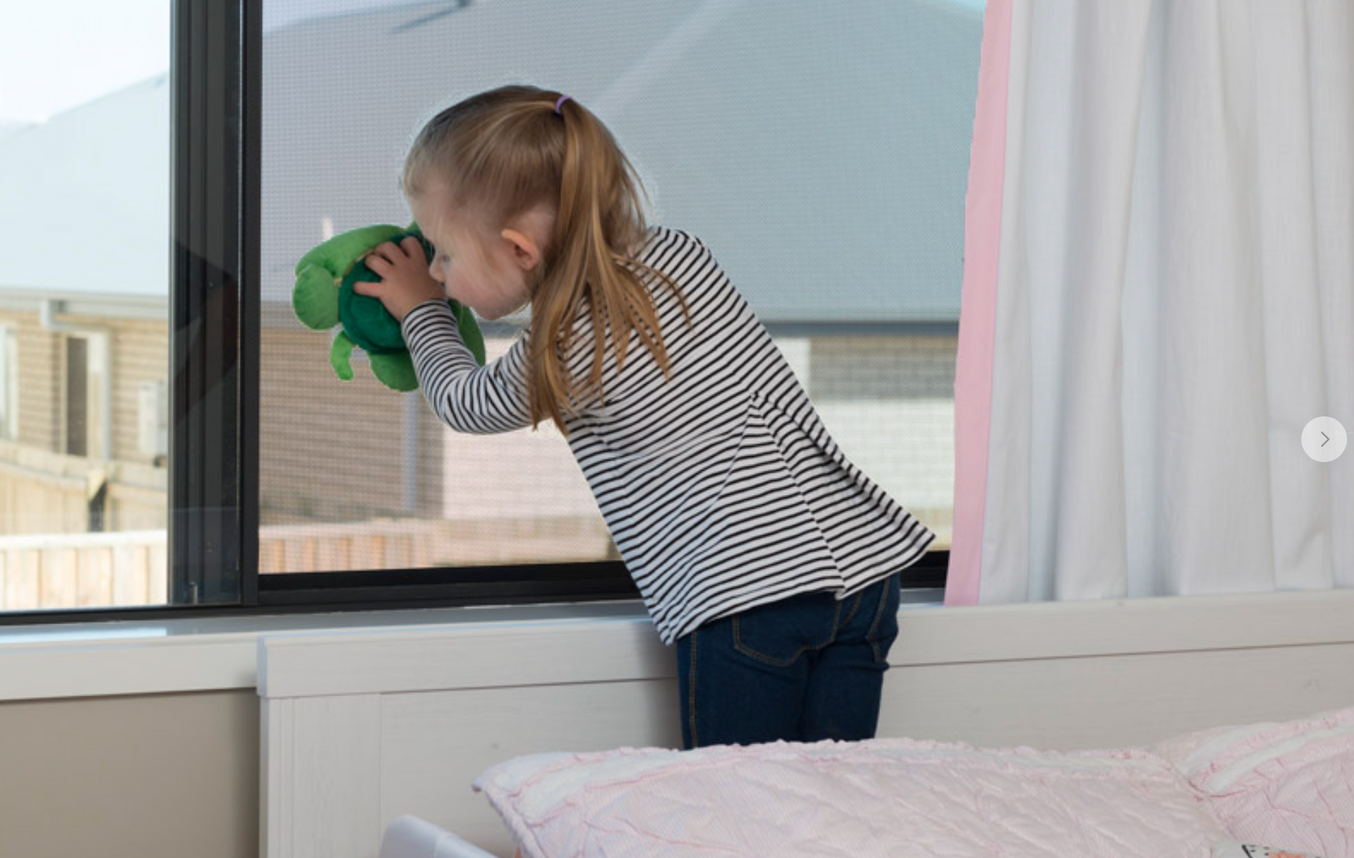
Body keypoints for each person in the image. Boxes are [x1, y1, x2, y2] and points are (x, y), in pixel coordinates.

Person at [353, 85, 936, 750]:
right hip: (864, 571)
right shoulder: (682, 255)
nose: (435, 270)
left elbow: (466, 400)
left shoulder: (567, 340)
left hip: (750, 593)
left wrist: (420, 309)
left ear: (520, 250)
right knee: (832, 793)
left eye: (444, 254)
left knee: (742, 800)